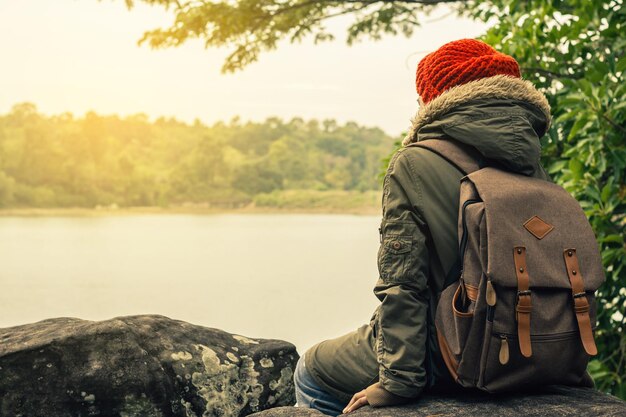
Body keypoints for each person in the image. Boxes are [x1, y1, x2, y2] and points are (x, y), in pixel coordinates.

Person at [293, 38, 552, 415]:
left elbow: (404, 286)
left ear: (436, 97)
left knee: (310, 369)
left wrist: (398, 383)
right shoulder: (532, 165)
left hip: (450, 352)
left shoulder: (415, 162)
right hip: (526, 352)